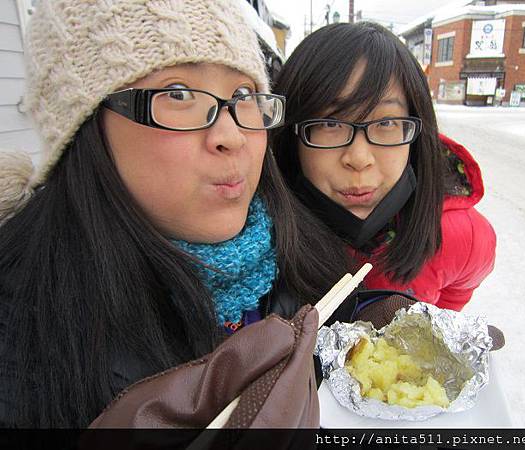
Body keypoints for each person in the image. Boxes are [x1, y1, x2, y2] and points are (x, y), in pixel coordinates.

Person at [0, 0, 349, 428]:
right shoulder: (22, 341)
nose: (232, 135)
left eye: (243, 95)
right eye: (177, 94)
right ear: (85, 130)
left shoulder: (299, 255)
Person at [271, 22, 496, 313]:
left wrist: (442, 317)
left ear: (417, 132)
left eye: (387, 123)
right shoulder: (259, 238)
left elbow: (460, 286)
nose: (359, 158)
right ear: (292, 135)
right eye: (330, 123)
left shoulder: (460, 235)